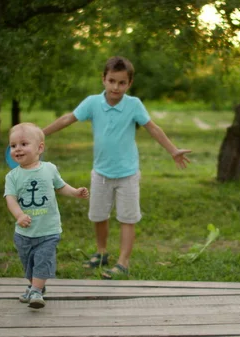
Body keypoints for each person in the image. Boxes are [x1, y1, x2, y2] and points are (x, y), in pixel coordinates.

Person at [42, 56, 191, 279]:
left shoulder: (134, 105)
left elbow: (153, 128)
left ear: (129, 84)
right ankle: (102, 252)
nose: (116, 87)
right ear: (103, 79)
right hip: (100, 173)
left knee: (127, 218)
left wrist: (173, 150)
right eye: (112, 81)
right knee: (99, 215)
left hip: (127, 174)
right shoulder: (92, 103)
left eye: (122, 83)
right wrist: (40, 133)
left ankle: (123, 262)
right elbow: (66, 119)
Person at [4, 122, 89, 309]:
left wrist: (75, 192)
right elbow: (11, 199)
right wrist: (19, 215)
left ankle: (35, 291)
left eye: (23, 144)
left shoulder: (49, 169)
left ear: (39, 148)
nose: (17, 149)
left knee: (43, 261)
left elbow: (60, 186)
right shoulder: (12, 176)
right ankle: (35, 286)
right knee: (29, 266)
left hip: (48, 230)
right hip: (24, 233)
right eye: (13, 145)